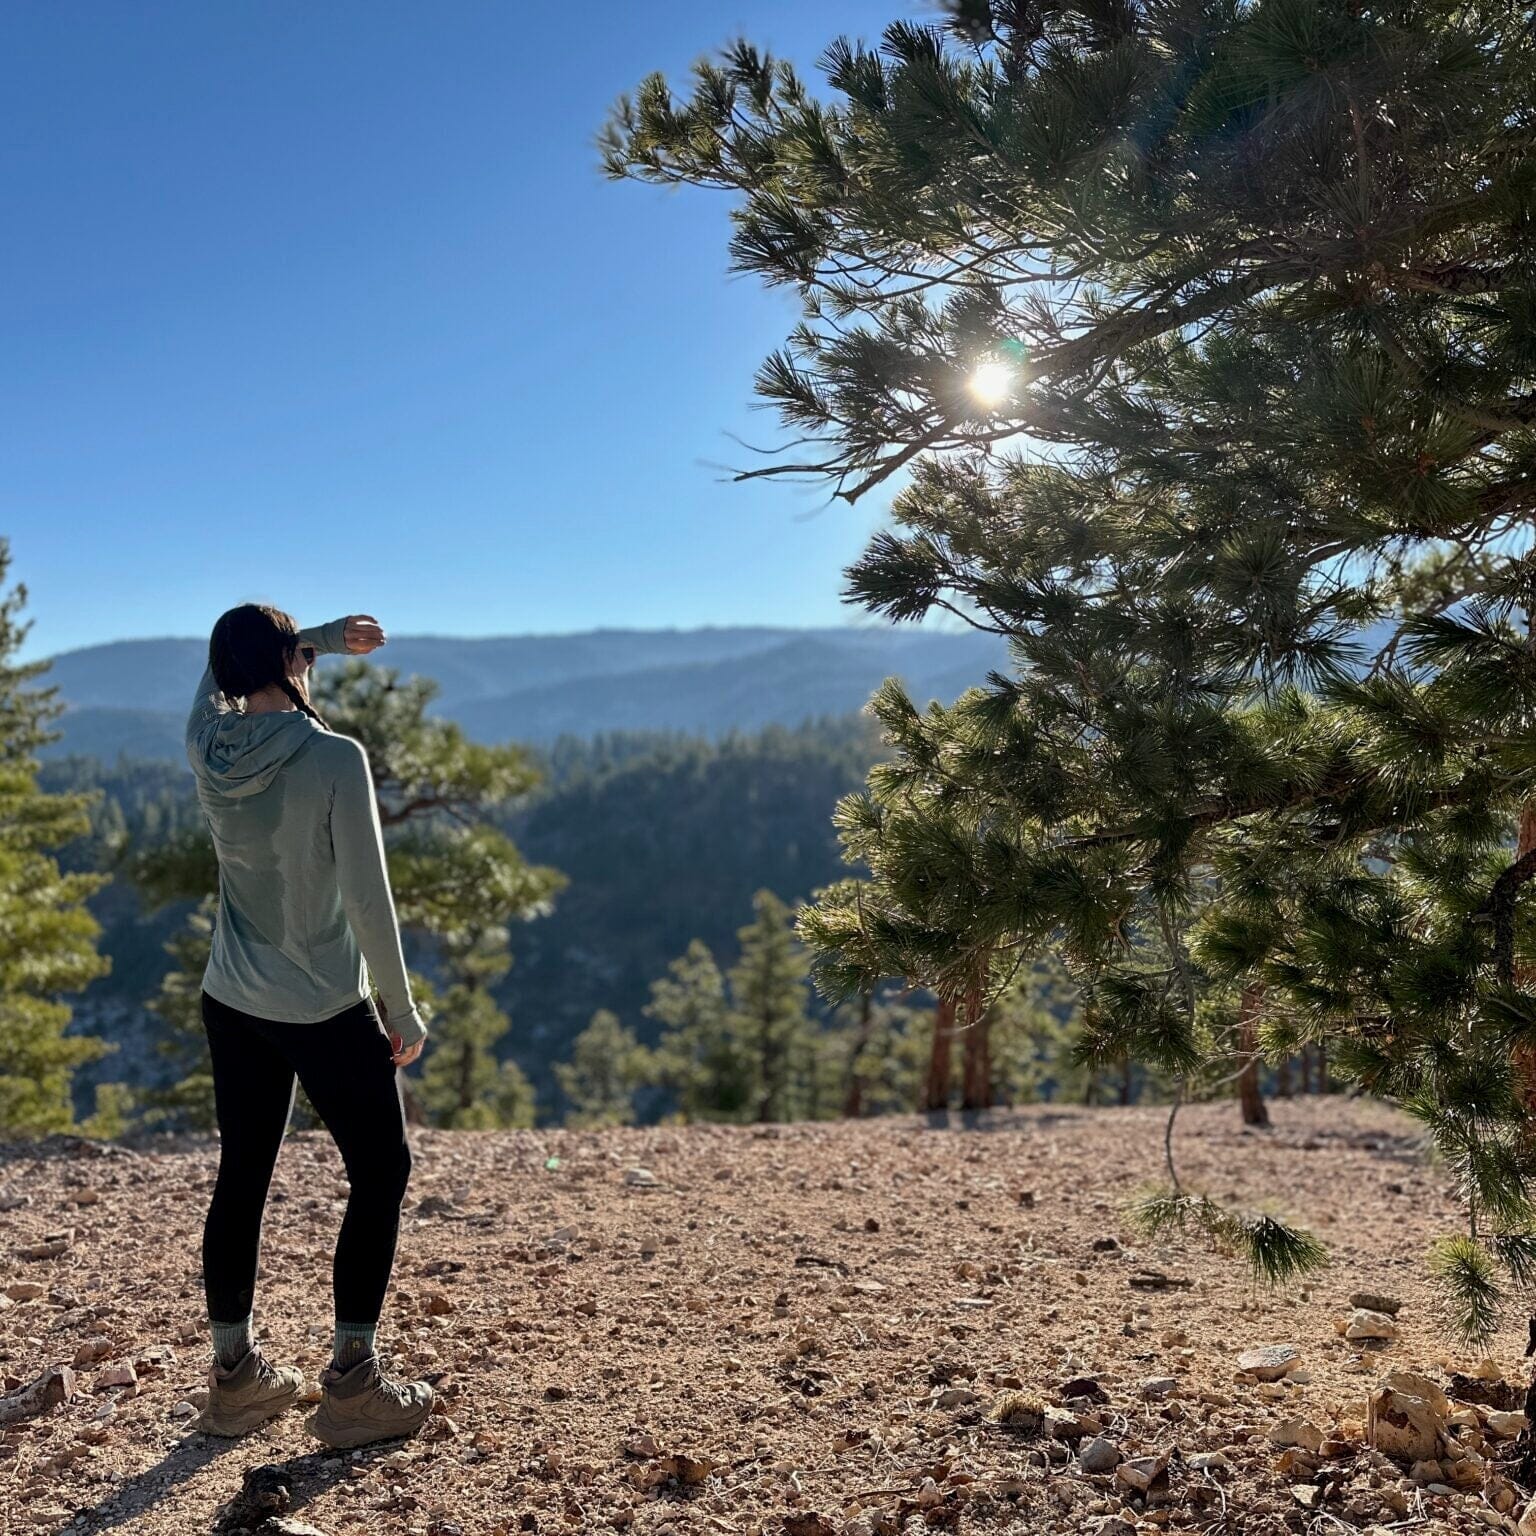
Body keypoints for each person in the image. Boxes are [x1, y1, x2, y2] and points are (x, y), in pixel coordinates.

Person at [184, 604, 435, 1447]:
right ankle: (354, 1387)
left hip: (233, 997)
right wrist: (399, 1010)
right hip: (324, 1004)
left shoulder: (208, 746)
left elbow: (216, 683)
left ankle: (235, 1381)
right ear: (290, 663)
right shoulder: (332, 757)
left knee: (243, 1172)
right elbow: (367, 895)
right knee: (382, 1169)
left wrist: (304, 643)